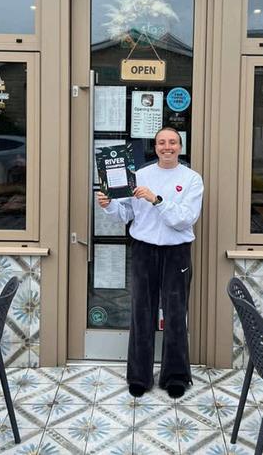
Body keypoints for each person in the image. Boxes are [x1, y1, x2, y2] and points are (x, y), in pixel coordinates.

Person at [97, 126, 204, 399]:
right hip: (144, 250)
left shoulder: (192, 179)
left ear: (180, 146)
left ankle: (176, 376)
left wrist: (156, 200)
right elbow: (125, 214)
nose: (167, 147)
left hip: (176, 252)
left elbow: (185, 219)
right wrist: (109, 205)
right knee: (141, 312)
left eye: (172, 142)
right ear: (155, 147)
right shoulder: (140, 175)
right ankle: (139, 377)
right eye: (161, 142)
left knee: (176, 314)